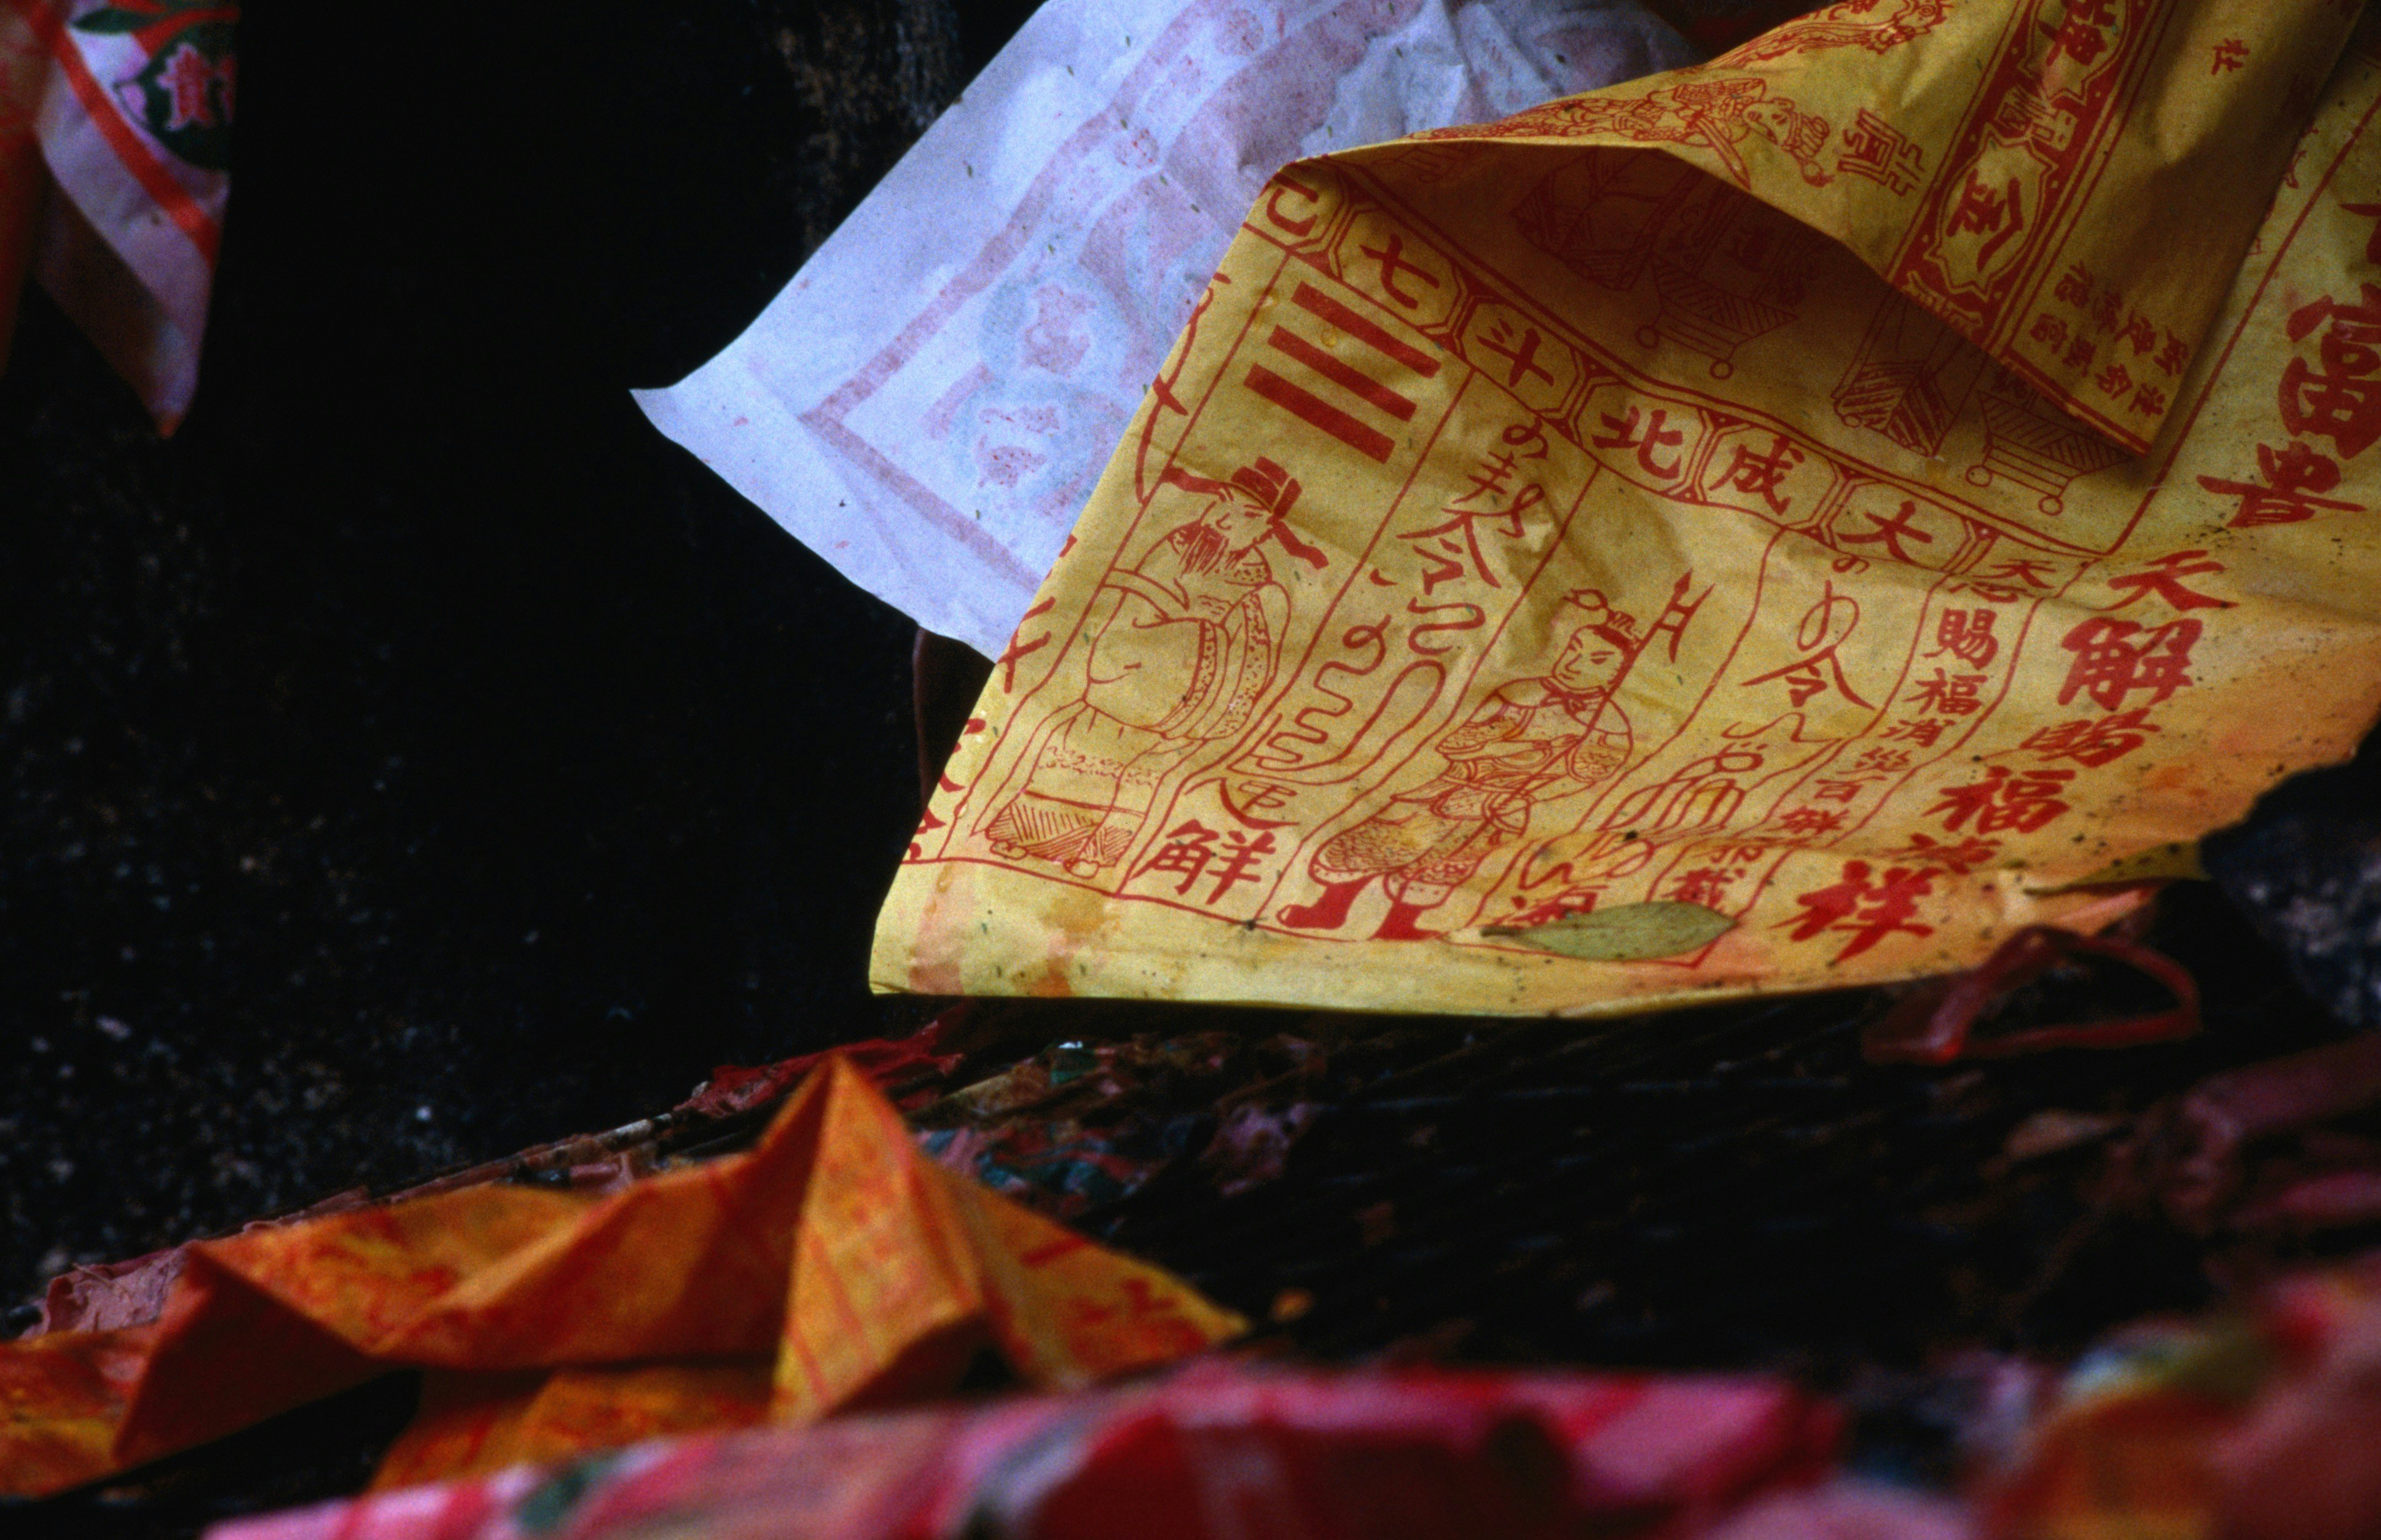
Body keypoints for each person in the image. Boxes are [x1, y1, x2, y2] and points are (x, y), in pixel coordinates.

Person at [981, 459, 1309, 878]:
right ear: (1224, 511)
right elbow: (1134, 611)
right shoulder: (1178, 548)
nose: (1258, 530)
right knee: (1075, 758)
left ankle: (1096, 855)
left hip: (1184, 706)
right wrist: (1195, 616)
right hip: (1130, 679)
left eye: (1264, 522)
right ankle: (1029, 837)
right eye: (1249, 515)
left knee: (1139, 779)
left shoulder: (1255, 577)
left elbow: (1251, 639)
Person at [1278, 591, 1640, 939]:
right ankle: (1329, 910)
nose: (1573, 665)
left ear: (1617, 674)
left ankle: (1400, 926)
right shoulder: (1522, 693)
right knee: (1378, 842)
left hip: (1501, 808)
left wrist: (1514, 794)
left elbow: (1582, 780)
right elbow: (1457, 744)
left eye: (1597, 661)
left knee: (1446, 866)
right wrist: (1502, 747)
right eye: (1573, 651)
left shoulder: (1611, 725)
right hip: (1448, 787)